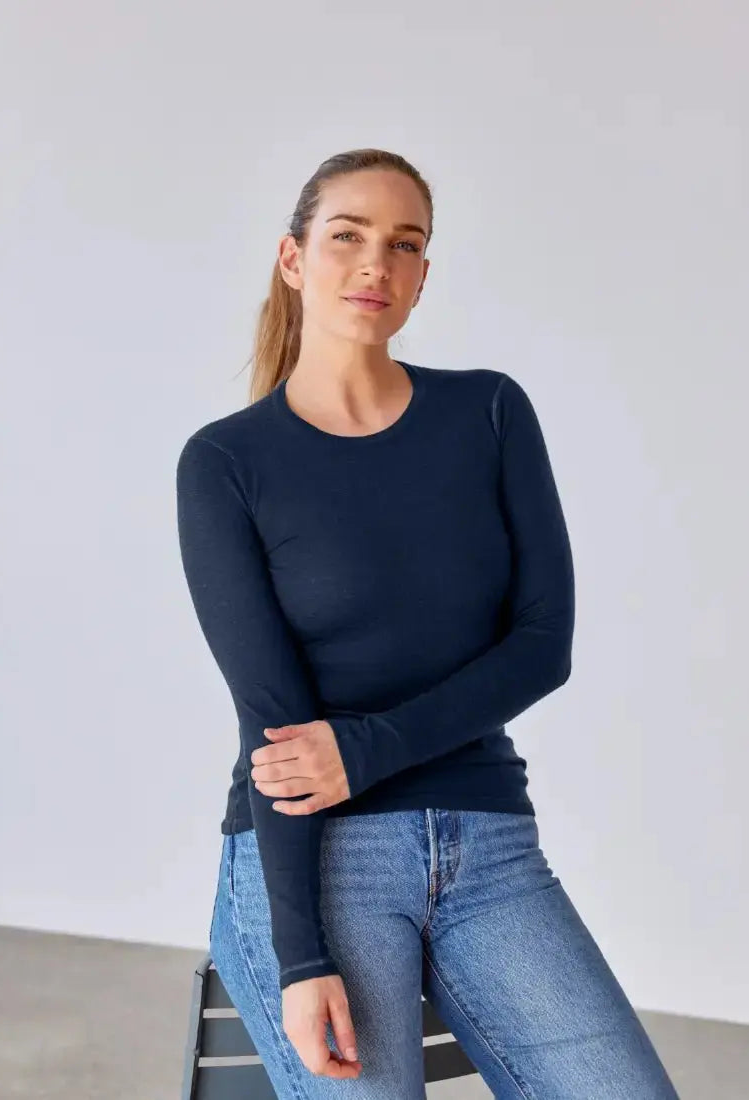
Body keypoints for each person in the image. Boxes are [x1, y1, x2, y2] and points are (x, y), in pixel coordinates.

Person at [175, 148, 681, 1098]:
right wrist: (297, 957)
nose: (376, 263)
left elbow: (543, 643)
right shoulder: (226, 463)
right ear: (293, 259)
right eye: (348, 237)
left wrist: (362, 751)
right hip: (321, 859)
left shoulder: (487, 411)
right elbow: (276, 728)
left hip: (488, 844)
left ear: (422, 277)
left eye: (403, 245)